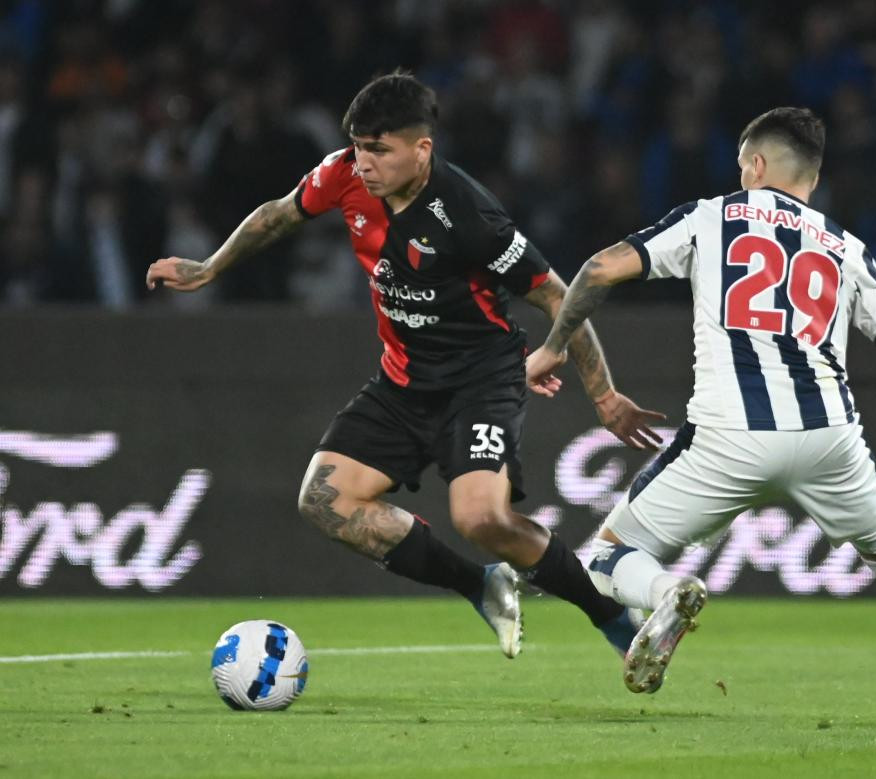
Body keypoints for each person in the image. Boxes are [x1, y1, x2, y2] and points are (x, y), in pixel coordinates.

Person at [526, 107, 876, 718]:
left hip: (729, 436)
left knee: (604, 557)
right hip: (831, 438)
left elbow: (600, 268)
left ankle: (667, 594)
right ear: (813, 180)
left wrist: (554, 348)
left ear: (756, 165)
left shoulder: (712, 216)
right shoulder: (847, 248)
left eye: (743, 165)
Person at [147, 70, 664, 659]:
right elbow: (280, 213)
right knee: (324, 501)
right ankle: (480, 584)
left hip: (480, 380)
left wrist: (602, 394)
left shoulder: (468, 213)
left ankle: (612, 617)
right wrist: (209, 266)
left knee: (480, 520)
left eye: (379, 150)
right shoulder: (344, 173)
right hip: (402, 381)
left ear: (422, 149)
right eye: (360, 147)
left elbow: (557, 293)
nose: (364, 163)